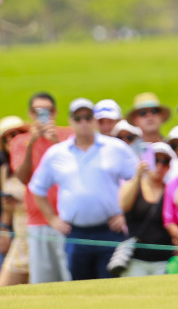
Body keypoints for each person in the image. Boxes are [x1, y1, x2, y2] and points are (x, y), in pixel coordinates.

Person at [28, 98, 139, 281]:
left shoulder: (115, 148)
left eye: (88, 117)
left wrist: (124, 215)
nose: (84, 123)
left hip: (109, 229)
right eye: (78, 118)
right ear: (71, 121)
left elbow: (136, 179)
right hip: (75, 232)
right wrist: (52, 219)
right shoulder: (57, 153)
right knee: (79, 286)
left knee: (111, 284)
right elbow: (38, 188)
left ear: (94, 120)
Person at [9, 92, 73, 284]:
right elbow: (23, 177)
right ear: (30, 113)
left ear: (55, 112)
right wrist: (32, 144)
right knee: (42, 281)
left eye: (48, 110)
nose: (44, 115)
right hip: (37, 220)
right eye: (39, 111)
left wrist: (56, 143)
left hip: (67, 218)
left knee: (70, 279)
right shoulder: (20, 141)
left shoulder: (68, 135)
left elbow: (77, 170)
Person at [118, 142, 177, 277]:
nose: (160, 166)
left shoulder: (170, 190)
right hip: (135, 260)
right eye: (156, 160)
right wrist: (138, 176)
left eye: (165, 162)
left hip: (163, 260)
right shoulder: (133, 185)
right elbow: (124, 205)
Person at [0, 116, 29, 286]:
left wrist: (22, 203)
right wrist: (3, 229)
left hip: (39, 233)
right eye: (6, 138)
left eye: (16, 134)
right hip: (19, 236)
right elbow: (7, 210)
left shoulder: (38, 161)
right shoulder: (5, 170)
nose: (11, 141)